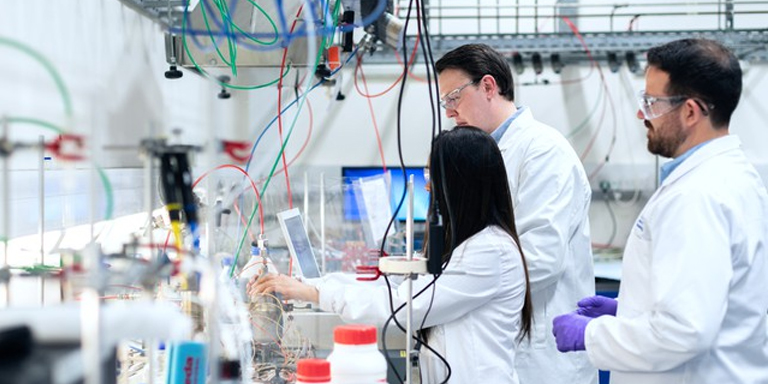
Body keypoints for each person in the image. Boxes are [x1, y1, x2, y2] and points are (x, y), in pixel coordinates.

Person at [551, 38, 768, 383]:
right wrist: (631, 310)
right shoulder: (733, 176)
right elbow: (712, 299)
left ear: (691, 111)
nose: (641, 114)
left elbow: (684, 332)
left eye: (652, 103)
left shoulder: (697, 196)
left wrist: (591, 336)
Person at [251, 126, 533, 384]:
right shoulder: (469, 244)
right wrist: (314, 285)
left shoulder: (490, 251)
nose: (427, 186)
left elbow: (405, 306)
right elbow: (403, 287)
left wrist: (315, 294)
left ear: (460, 184)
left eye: (431, 176)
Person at [435, 44, 597, 384]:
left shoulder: (543, 152)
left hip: (541, 357)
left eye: (454, 98)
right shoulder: (482, 154)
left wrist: (453, 287)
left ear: (489, 87)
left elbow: (541, 258)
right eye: (445, 103)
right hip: (501, 346)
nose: (449, 112)